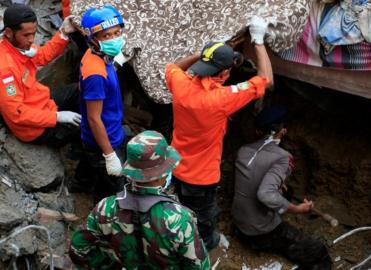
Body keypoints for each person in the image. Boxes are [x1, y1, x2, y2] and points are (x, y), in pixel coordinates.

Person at [164, 15, 273, 249]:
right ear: (224, 74)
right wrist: (258, 40)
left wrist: (207, 55)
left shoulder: (181, 84)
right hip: (201, 178)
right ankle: (205, 246)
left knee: (183, 207)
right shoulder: (221, 99)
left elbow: (173, 66)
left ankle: (182, 236)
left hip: (176, 166)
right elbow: (266, 80)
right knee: (204, 217)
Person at [69, 130, 210, 269]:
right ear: (162, 174)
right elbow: (199, 266)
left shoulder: (105, 208)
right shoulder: (178, 219)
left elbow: (78, 248)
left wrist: (109, 266)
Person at [232, 106, 332, 270]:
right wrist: (297, 209)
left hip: (239, 223)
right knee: (319, 252)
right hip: (258, 234)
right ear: (283, 131)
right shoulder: (282, 157)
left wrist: (278, 186)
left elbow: (251, 179)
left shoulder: (244, 150)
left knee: (286, 191)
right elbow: (264, 194)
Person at [0, 4, 81, 147]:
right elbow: (17, 114)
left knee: (81, 90)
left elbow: (43, 55)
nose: (32, 40)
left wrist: (63, 33)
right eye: (26, 35)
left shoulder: (20, 46)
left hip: (42, 101)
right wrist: (56, 117)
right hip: (35, 129)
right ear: (8, 32)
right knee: (86, 128)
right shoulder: (4, 71)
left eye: (34, 33)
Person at [72, 5, 127, 199]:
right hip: (105, 138)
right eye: (107, 36)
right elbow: (95, 118)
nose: (114, 38)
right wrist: (110, 155)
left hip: (98, 133)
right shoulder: (96, 73)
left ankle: (80, 183)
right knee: (112, 187)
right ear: (93, 40)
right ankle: (103, 213)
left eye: (117, 33)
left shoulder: (96, 55)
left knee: (89, 163)